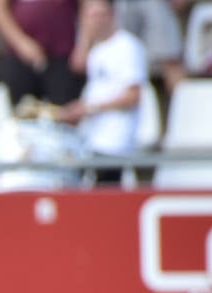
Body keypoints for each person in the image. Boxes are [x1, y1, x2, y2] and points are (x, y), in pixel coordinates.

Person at [60, 0, 147, 185]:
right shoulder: (96, 49)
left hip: (115, 141)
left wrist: (90, 108)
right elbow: (76, 65)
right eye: (91, 15)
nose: (96, 20)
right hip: (91, 139)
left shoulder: (127, 46)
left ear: (112, 14)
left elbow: (133, 95)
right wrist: (85, 37)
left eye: (100, 14)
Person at [0, 0, 84, 106]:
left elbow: (90, 6)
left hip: (64, 56)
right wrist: (21, 43)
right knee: (21, 109)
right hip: (19, 57)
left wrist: (84, 46)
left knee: (64, 109)